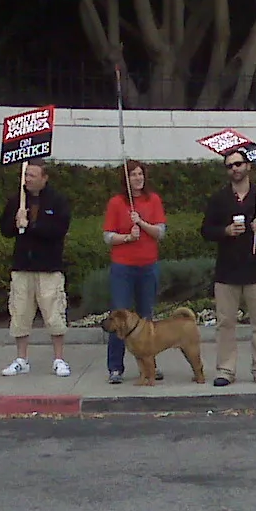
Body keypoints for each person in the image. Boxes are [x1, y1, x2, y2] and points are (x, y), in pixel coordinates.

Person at [201, 149, 256, 387]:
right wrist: (225, 231)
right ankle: (225, 369)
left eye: (238, 164)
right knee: (225, 323)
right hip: (227, 271)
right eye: (229, 166)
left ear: (248, 166)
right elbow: (206, 230)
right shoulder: (219, 198)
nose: (234, 169)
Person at [0, 159, 74, 378]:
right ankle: (22, 359)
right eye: (26, 175)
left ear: (44, 178)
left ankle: (59, 359)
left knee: (54, 314)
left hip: (49, 267)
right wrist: (15, 221)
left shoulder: (57, 201)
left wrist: (31, 225)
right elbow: (4, 229)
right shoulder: (17, 200)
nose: (27, 179)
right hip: (23, 266)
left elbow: (59, 229)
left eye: (32, 175)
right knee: (20, 313)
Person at [101, 160, 167, 383]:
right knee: (119, 316)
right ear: (126, 179)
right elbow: (108, 236)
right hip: (123, 267)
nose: (138, 178)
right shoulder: (116, 203)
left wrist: (142, 222)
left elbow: (160, 232)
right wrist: (128, 237)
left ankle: (150, 364)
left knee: (146, 317)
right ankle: (115, 367)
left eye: (140, 174)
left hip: (148, 265)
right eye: (133, 175)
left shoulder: (153, 200)